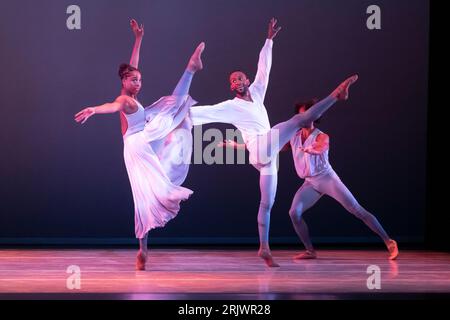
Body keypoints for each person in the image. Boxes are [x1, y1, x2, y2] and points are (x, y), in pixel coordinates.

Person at [191, 18, 358, 267]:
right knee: (297, 121)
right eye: (233, 81)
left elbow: (264, 69)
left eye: (240, 78)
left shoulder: (257, 93)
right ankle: (336, 95)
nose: (237, 82)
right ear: (231, 87)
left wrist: (268, 40)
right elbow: (202, 113)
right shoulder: (229, 107)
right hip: (260, 147)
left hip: (266, 156)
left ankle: (264, 248)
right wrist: (172, 117)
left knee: (267, 203)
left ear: (246, 81)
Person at [74, 19, 205, 270]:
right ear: (124, 81)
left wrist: (138, 39)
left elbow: (133, 66)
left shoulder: (130, 95)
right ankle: (190, 69)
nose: (138, 83)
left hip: (138, 144)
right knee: (170, 110)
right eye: (134, 80)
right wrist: (94, 109)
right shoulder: (124, 99)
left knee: (143, 195)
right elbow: (113, 106)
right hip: (140, 140)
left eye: (139, 80)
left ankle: (142, 250)